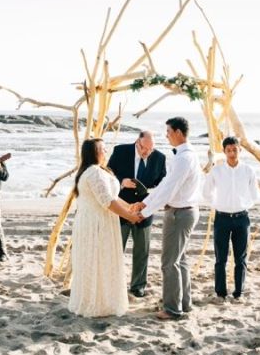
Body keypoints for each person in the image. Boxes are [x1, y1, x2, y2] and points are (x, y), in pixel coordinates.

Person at [136, 117, 204, 320]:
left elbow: (168, 190)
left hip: (180, 213)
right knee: (180, 259)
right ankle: (184, 303)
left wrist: (144, 212)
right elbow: (165, 184)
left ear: (178, 133)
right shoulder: (184, 155)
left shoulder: (184, 158)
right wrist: (145, 203)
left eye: (168, 131)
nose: (166, 135)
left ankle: (173, 309)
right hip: (183, 210)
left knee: (169, 262)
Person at [68, 138, 142, 317]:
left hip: (98, 219)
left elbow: (111, 196)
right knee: (97, 259)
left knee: (101, 260)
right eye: (103, 149)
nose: (105, 152)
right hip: (96, 223)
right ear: (94, 152)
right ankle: (97, 303)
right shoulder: (94, 173)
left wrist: (129, 206)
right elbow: (107, 201)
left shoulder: (97, 171)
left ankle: (104, 299)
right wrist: (130, 216)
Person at [107, 130, 167, 298]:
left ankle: (138, 286)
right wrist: (121, 182)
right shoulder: (120, 151)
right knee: (116, 249)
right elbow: (106, 176)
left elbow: (163, 186)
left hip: (145, 210)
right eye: (143, 148)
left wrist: (147, 192)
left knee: (142, 250)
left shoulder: (160, 158)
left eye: (150, 149)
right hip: (121, 208)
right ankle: (114, 284)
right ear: (137, 142)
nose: (146, 152)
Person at [203, 136, 260, 303]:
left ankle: (239, 292)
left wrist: (243, 206)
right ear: (224, 151)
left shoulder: (248, 170)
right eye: (229, 150)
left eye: (235, 149)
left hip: (242, 219)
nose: (232, 153)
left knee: (240, 258)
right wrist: (218, 205)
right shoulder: (217, 171)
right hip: (222, 218)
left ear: (240, 150)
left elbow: (254, 194)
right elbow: (206, 192)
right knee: (220, 258)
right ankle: (220, 292)